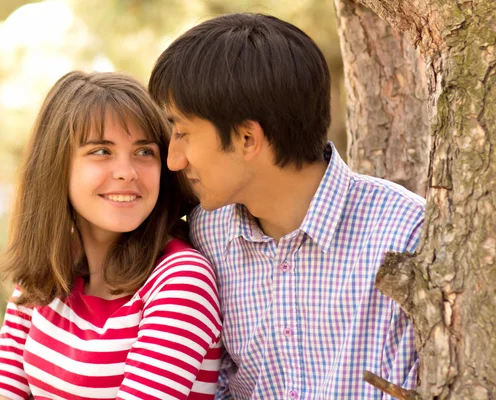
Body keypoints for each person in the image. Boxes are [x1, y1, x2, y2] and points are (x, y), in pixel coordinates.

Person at [149, 13, 425, 400]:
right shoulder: (206, 236)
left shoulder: (409, 235)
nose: (174, 159)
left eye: (181, 133)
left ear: (248, 138)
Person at [0, 71, 222, 400]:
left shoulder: (181, 280)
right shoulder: (49, 270)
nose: (127, 171)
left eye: (144, 152)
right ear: (55, 166)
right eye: (101, 151)